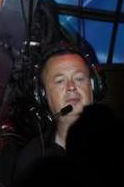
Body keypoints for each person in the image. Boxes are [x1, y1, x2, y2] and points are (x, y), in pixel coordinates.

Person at [12, 45, 99, 179]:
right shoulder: (32, 159)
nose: (71, 87)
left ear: (94, 88)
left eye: (79, 78)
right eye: (60, 81)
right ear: (41, 96)